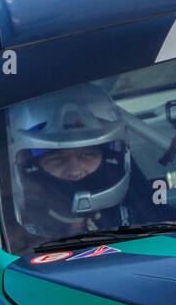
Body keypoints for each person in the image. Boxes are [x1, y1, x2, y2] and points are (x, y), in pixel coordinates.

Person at [10, 83, 157, 242]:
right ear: (31, 166)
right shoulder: (11, 229)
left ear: (110, 158)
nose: (75, 170)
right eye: (57, 159)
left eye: (86, 155)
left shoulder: (141, 209)